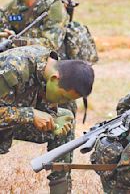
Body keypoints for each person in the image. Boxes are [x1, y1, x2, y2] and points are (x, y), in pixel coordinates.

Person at [0, 45, 95, 193]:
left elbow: (34, 100)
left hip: (10, 117)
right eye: (63, 97)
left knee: (66, 128)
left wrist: (57, 116)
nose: (62, 101)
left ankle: (60, 190)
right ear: (54, 78)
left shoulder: (52, 69)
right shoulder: (13, 68)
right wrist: (31, 115)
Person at [0, 0, 68, 52]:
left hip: (51, 59)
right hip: (19, 55)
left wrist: (17, 41)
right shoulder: (8, 9)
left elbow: (51, 44)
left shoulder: (52, 5)